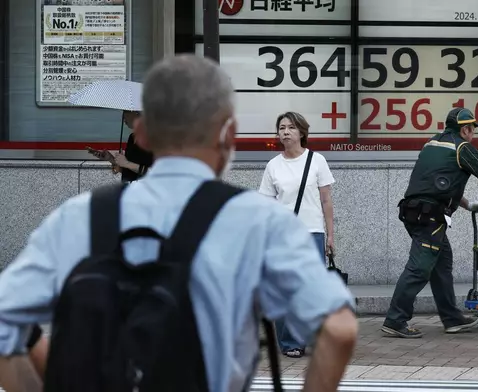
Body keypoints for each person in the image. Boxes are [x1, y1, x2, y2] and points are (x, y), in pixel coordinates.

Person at [0, 54, 358, 391]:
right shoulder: (259, 222)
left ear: (141, 134)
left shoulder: (77, 217)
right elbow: (339, 329)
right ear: (228, 134)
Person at [381, 107, 478, 338]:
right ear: (465, 129)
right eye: (473, 129)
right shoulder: (463, 148)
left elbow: (438, 183)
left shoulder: (432, 143)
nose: (474, 133)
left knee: (441, 264)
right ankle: (395, 320)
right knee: (418, 269)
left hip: (413, 212)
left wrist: (467, 204)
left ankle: (452, 319)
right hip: (430, 218)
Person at [259, 111, 336, 358]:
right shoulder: (273, 165)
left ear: (302, 132)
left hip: (312, 233)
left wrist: (330, 236)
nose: (285, 132)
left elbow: (326, 201)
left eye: (291, 127)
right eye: (282, 127)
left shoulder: (317, 161)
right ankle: (290, 341)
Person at [114, 110, 155, 183]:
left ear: (137, 113)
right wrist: (111, 159)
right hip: (128, 189)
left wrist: (126, 163)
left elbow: (155, 172)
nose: (123, 117)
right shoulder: (132, 137)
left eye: (125, 112)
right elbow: (128, 169)